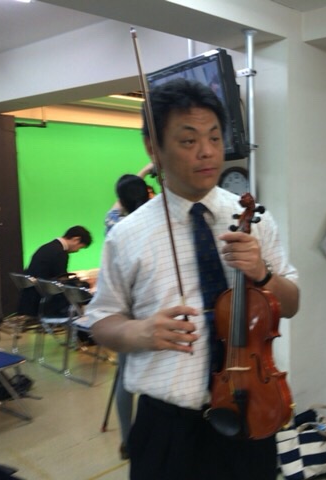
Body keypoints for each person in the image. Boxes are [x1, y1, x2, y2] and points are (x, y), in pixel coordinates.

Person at [86, 78, 299, 480]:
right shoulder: (126, 235)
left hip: (251, 410)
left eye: (214, 138)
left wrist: (263, 274)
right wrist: (139, 332)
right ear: (153, 149)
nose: (207, 151)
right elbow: (101, 322)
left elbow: (291, 304)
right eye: (188, 140)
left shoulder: (254, 218)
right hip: (168, 429)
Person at [104, 169, 152, 461]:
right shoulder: (154, 223)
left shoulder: (115, 225)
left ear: (121, 200)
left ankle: (126, 441)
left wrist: (141, 173)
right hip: (152, 309)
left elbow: (116, 205)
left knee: (125, 378)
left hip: (125, 315)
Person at [17, 225, 92, 317]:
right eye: (79, 247)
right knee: (84, 291)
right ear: (76, 240)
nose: (77, 251)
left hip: (30, 297)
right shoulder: (60, 253)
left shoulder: (47, 247)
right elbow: (62, 280)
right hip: (43, 301)